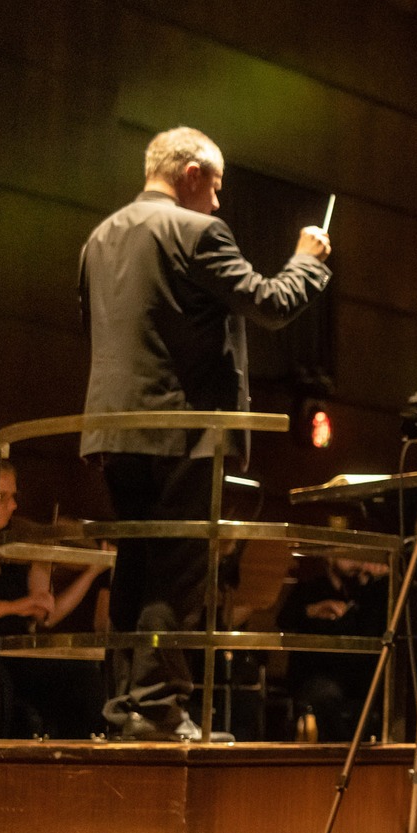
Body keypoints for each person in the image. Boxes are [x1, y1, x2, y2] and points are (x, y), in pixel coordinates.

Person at [79, 127, 331, 735]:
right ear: (191, 173)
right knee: (178, 571)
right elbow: (269, 303)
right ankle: (160, 709)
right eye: (214, 188)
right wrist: (308, 260)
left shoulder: (99, 237)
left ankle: (125, 709)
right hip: (183, 429)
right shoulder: (197, 232)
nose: (217, 204)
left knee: (136, 564)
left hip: (114, 430)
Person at [0, 447, 105, 736]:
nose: (13, 505)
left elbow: (46, 615)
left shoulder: (19, 547)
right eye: (1, 497)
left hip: (14, 654)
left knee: (82, 677)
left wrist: (91, 572)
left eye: (13, 496)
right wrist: (14, 607)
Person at [275, 553, 390, 742]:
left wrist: (377, 580)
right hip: (315, 675)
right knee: (326, 696)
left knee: (376, 691)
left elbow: (374, 625)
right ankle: (342, 751)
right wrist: (313, 610)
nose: (356, 559)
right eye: (347, 552)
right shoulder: (310, 587)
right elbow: (284, 619)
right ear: (329, 558)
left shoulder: (362, 591)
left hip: (352, 674)